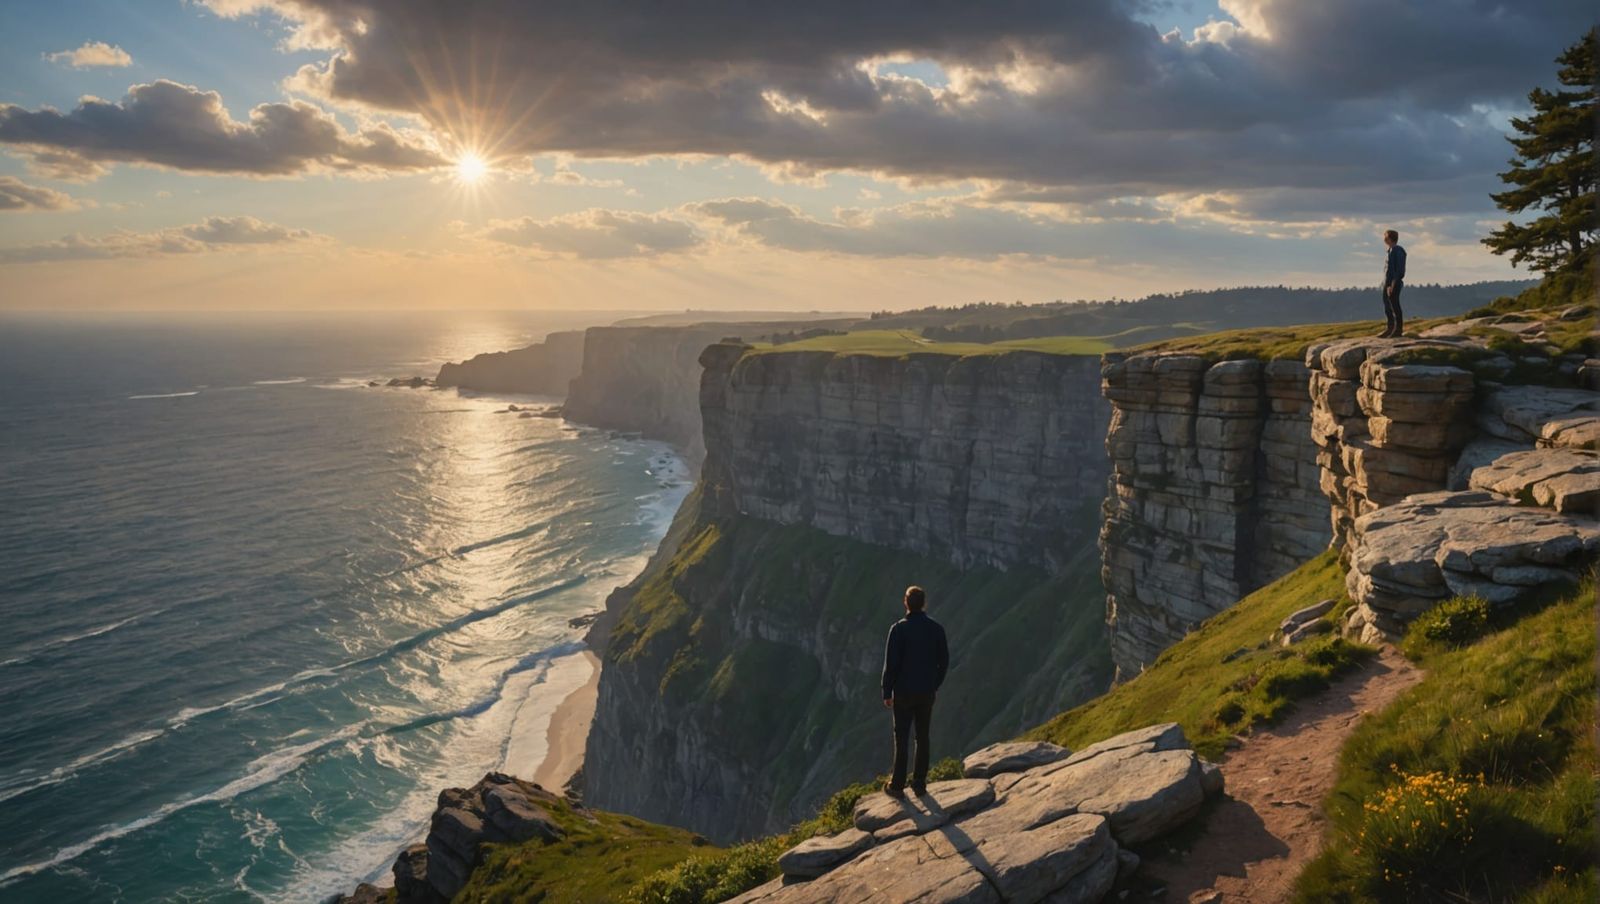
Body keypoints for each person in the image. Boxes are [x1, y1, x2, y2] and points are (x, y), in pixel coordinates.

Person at [880, 585, 949, 797]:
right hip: (926, 691)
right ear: (924, 603)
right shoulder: (936, 629)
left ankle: (897, 785)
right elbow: (944, 661)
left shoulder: (898, 629)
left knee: (901, 738)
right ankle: (919, 783)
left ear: (906, 603)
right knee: (923, 736)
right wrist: (934, 684)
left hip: (902, 693)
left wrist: (887, 691)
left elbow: (891, 664)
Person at [1380, 229, 1407, 337]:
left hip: (1393, 283)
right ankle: (1390, 328)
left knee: (1394, 305)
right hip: (1387, 283)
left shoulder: (1397, 250)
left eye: (1385, 236)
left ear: (1390, 238)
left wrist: (1392, 284)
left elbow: (1399, 270)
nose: (1384, 239)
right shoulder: (1390, 251)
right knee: (1387, 306)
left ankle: (1398, 330)